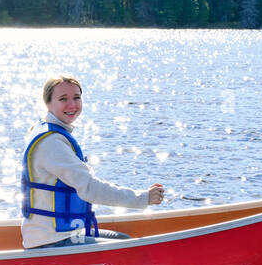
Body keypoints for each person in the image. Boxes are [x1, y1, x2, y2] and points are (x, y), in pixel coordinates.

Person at [21, 75, 165, 248]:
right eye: (63, 99)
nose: (72, 105)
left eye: (76, 97)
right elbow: (90, 188)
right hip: (51, 240)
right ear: (48, 103)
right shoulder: (51, 143)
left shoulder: (51, 132)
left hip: (62, 234)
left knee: (123, 241)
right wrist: (143, 198)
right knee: (128, 250)